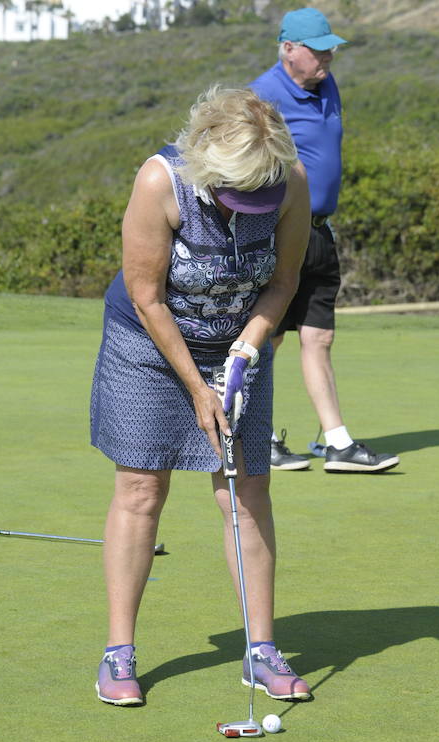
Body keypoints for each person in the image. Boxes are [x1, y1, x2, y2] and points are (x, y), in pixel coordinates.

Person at [90, 86, 313, 707]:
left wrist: (248, 348)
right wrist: (197, 387)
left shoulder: (290, 179)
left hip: (241, 340)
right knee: (141, 488)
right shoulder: (161, 181)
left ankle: (261, 650)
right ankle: (118, 653)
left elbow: (286, 278)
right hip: (149, 347)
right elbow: (147, 294)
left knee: (245, 490)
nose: (252, 207)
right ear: (207, 168)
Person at [251, 7, 400, 473]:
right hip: (277, 234)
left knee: (319, 336)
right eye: (318, 50)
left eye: (330, 49)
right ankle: (261, 438)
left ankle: (337, 444)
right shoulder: (262, 95)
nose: (327, 57)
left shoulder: (326, 84)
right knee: (268, 339)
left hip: (319, 232)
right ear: (288, 49)